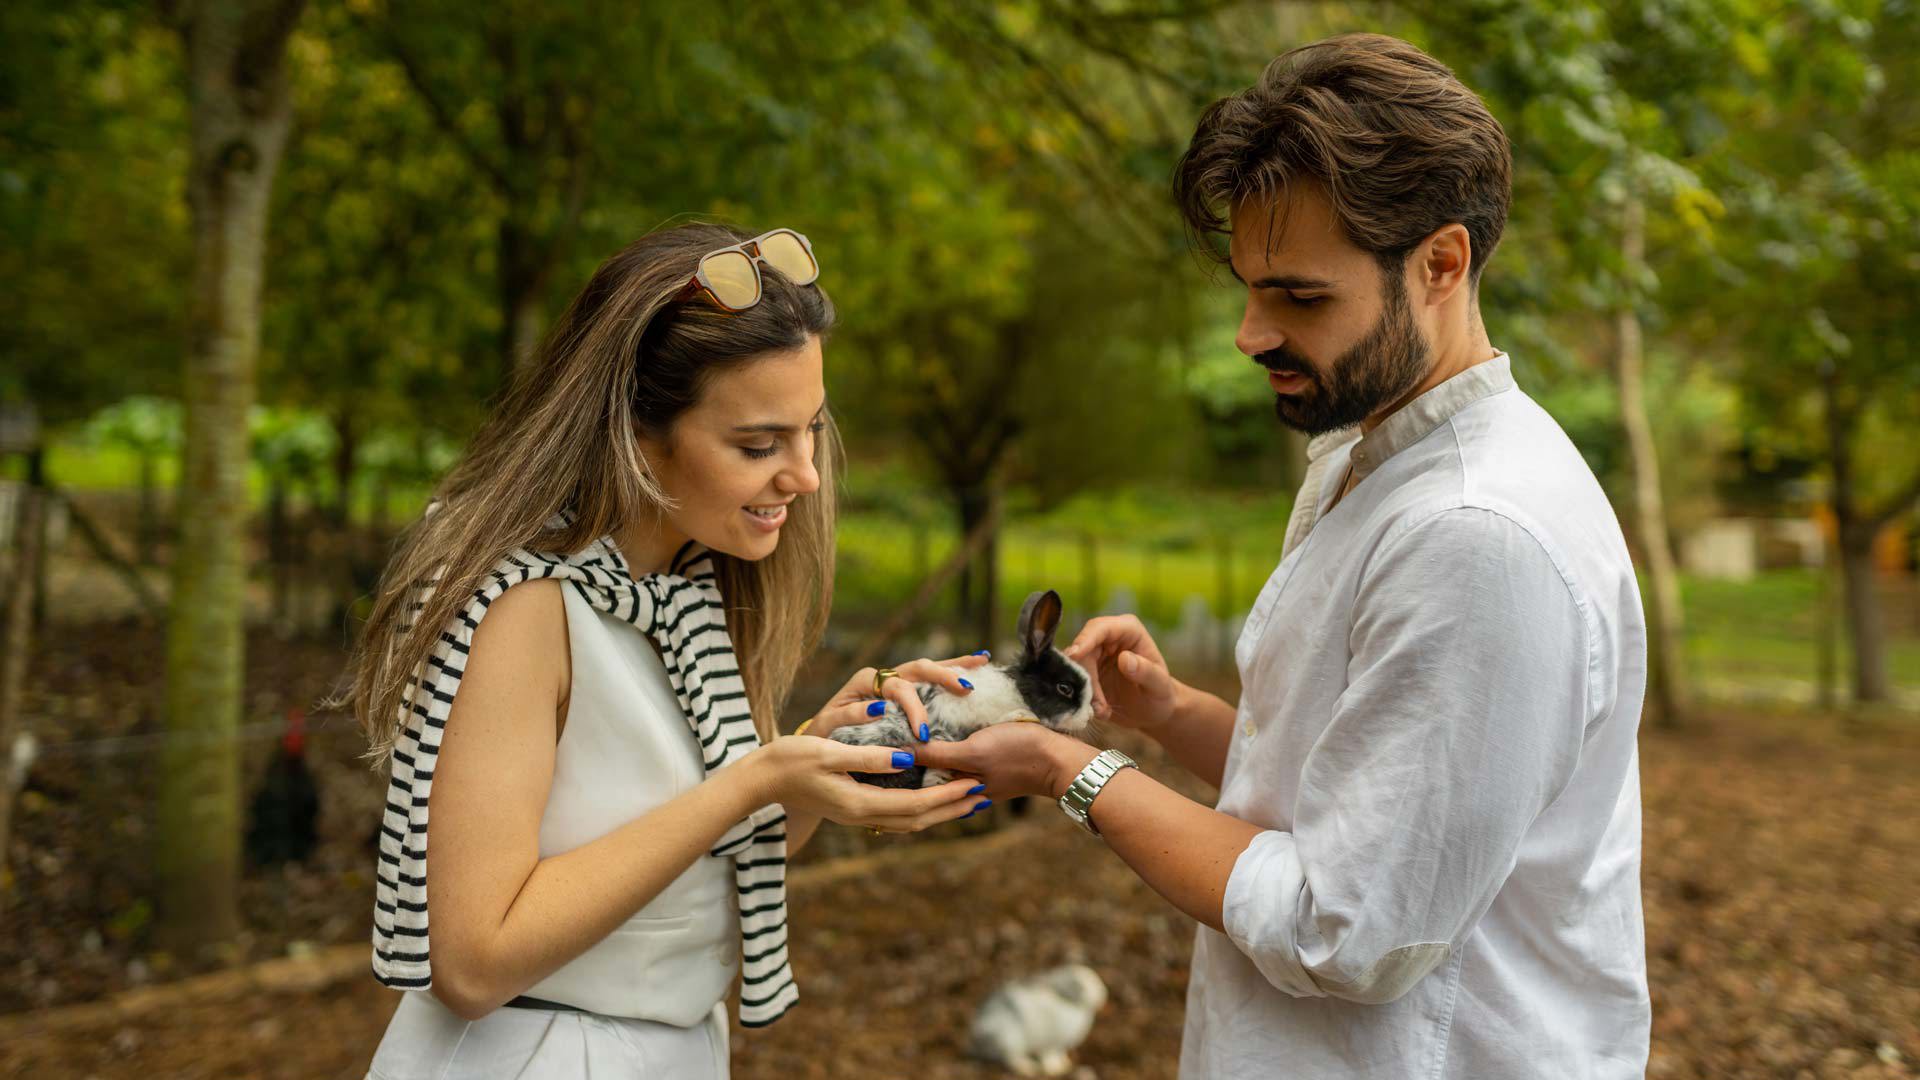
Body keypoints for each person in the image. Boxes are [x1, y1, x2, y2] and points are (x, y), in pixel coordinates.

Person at [916, 33, 1652, 1078]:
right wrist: (1166, 718)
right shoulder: (1364, 453)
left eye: (1300, 297)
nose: (1250, 333)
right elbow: (1347, 799)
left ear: (1440, 264)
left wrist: (1065, 770)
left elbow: (1348, 929)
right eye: (1249, 287)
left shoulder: (1476, 535)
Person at [351, 223, 991, 1079]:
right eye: (759, 445)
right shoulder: (523, 609)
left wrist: (819, 758)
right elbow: (472, 962)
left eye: (812, 430)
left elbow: (687, 878)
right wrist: (752, 781)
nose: (802, 473)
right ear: (636, 436)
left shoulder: (685, 592)